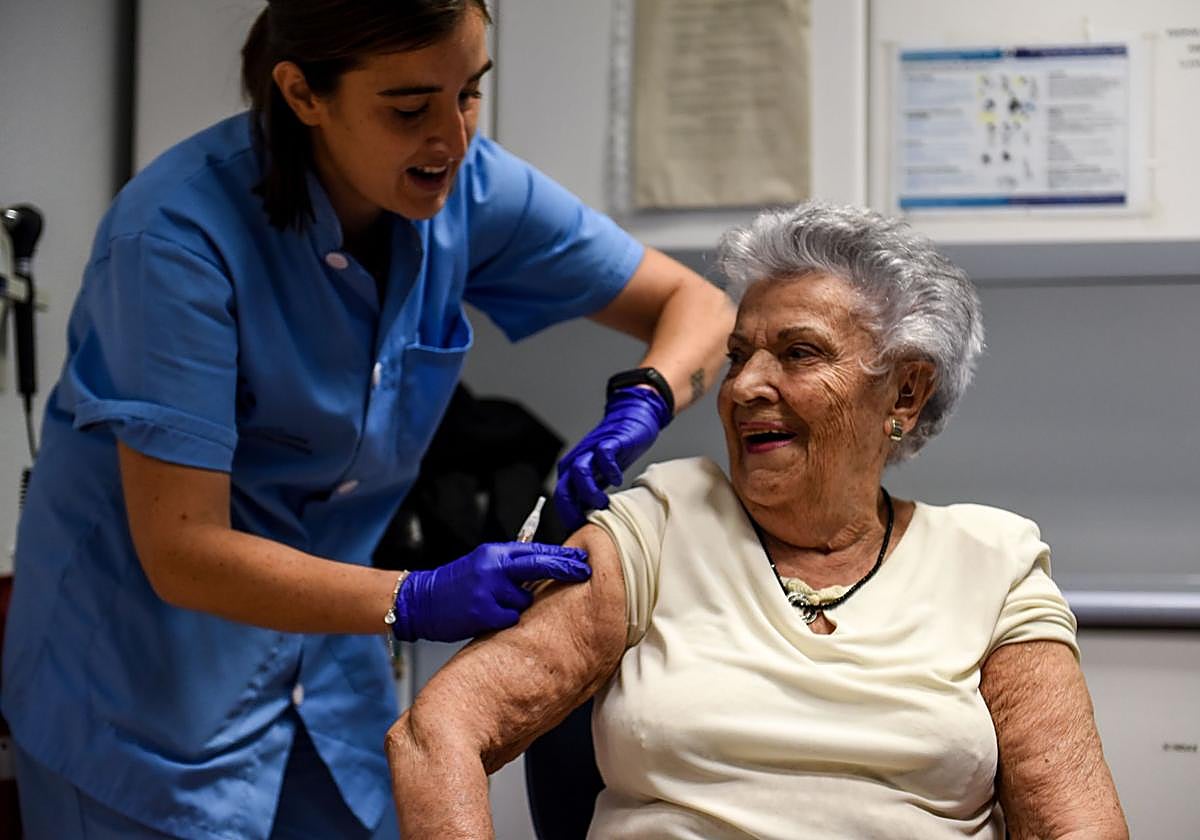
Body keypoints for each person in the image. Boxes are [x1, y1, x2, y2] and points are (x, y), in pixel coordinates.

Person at [0, 2, 733, 838]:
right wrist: (417, 596)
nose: (453, 139)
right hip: (141, 692)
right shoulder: (173, 237)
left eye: (471, 94)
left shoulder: (471, 189)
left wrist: (644, 400)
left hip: (326, 675)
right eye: (410, 107)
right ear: (304, 93)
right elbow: (184, 554)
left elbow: (699, 306)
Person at [385, 202, 1129, 839]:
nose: (744, 386)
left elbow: (1074, 822)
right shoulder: (657, 526)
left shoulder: (992, 563)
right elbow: (435, 732)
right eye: (738, 355)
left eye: (798, 353)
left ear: (905, 395)